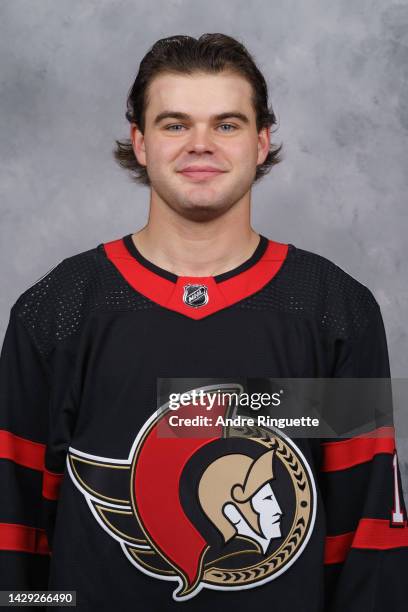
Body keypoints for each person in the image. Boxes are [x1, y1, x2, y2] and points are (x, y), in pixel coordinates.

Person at [0, 32, 407, 611]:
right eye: (174, 124)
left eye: (227, 124)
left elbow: (367, 540)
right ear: (140, 142)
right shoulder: (57, 309)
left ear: (262, 141)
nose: (200, 144)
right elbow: (15, 532)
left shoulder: (335, 309)